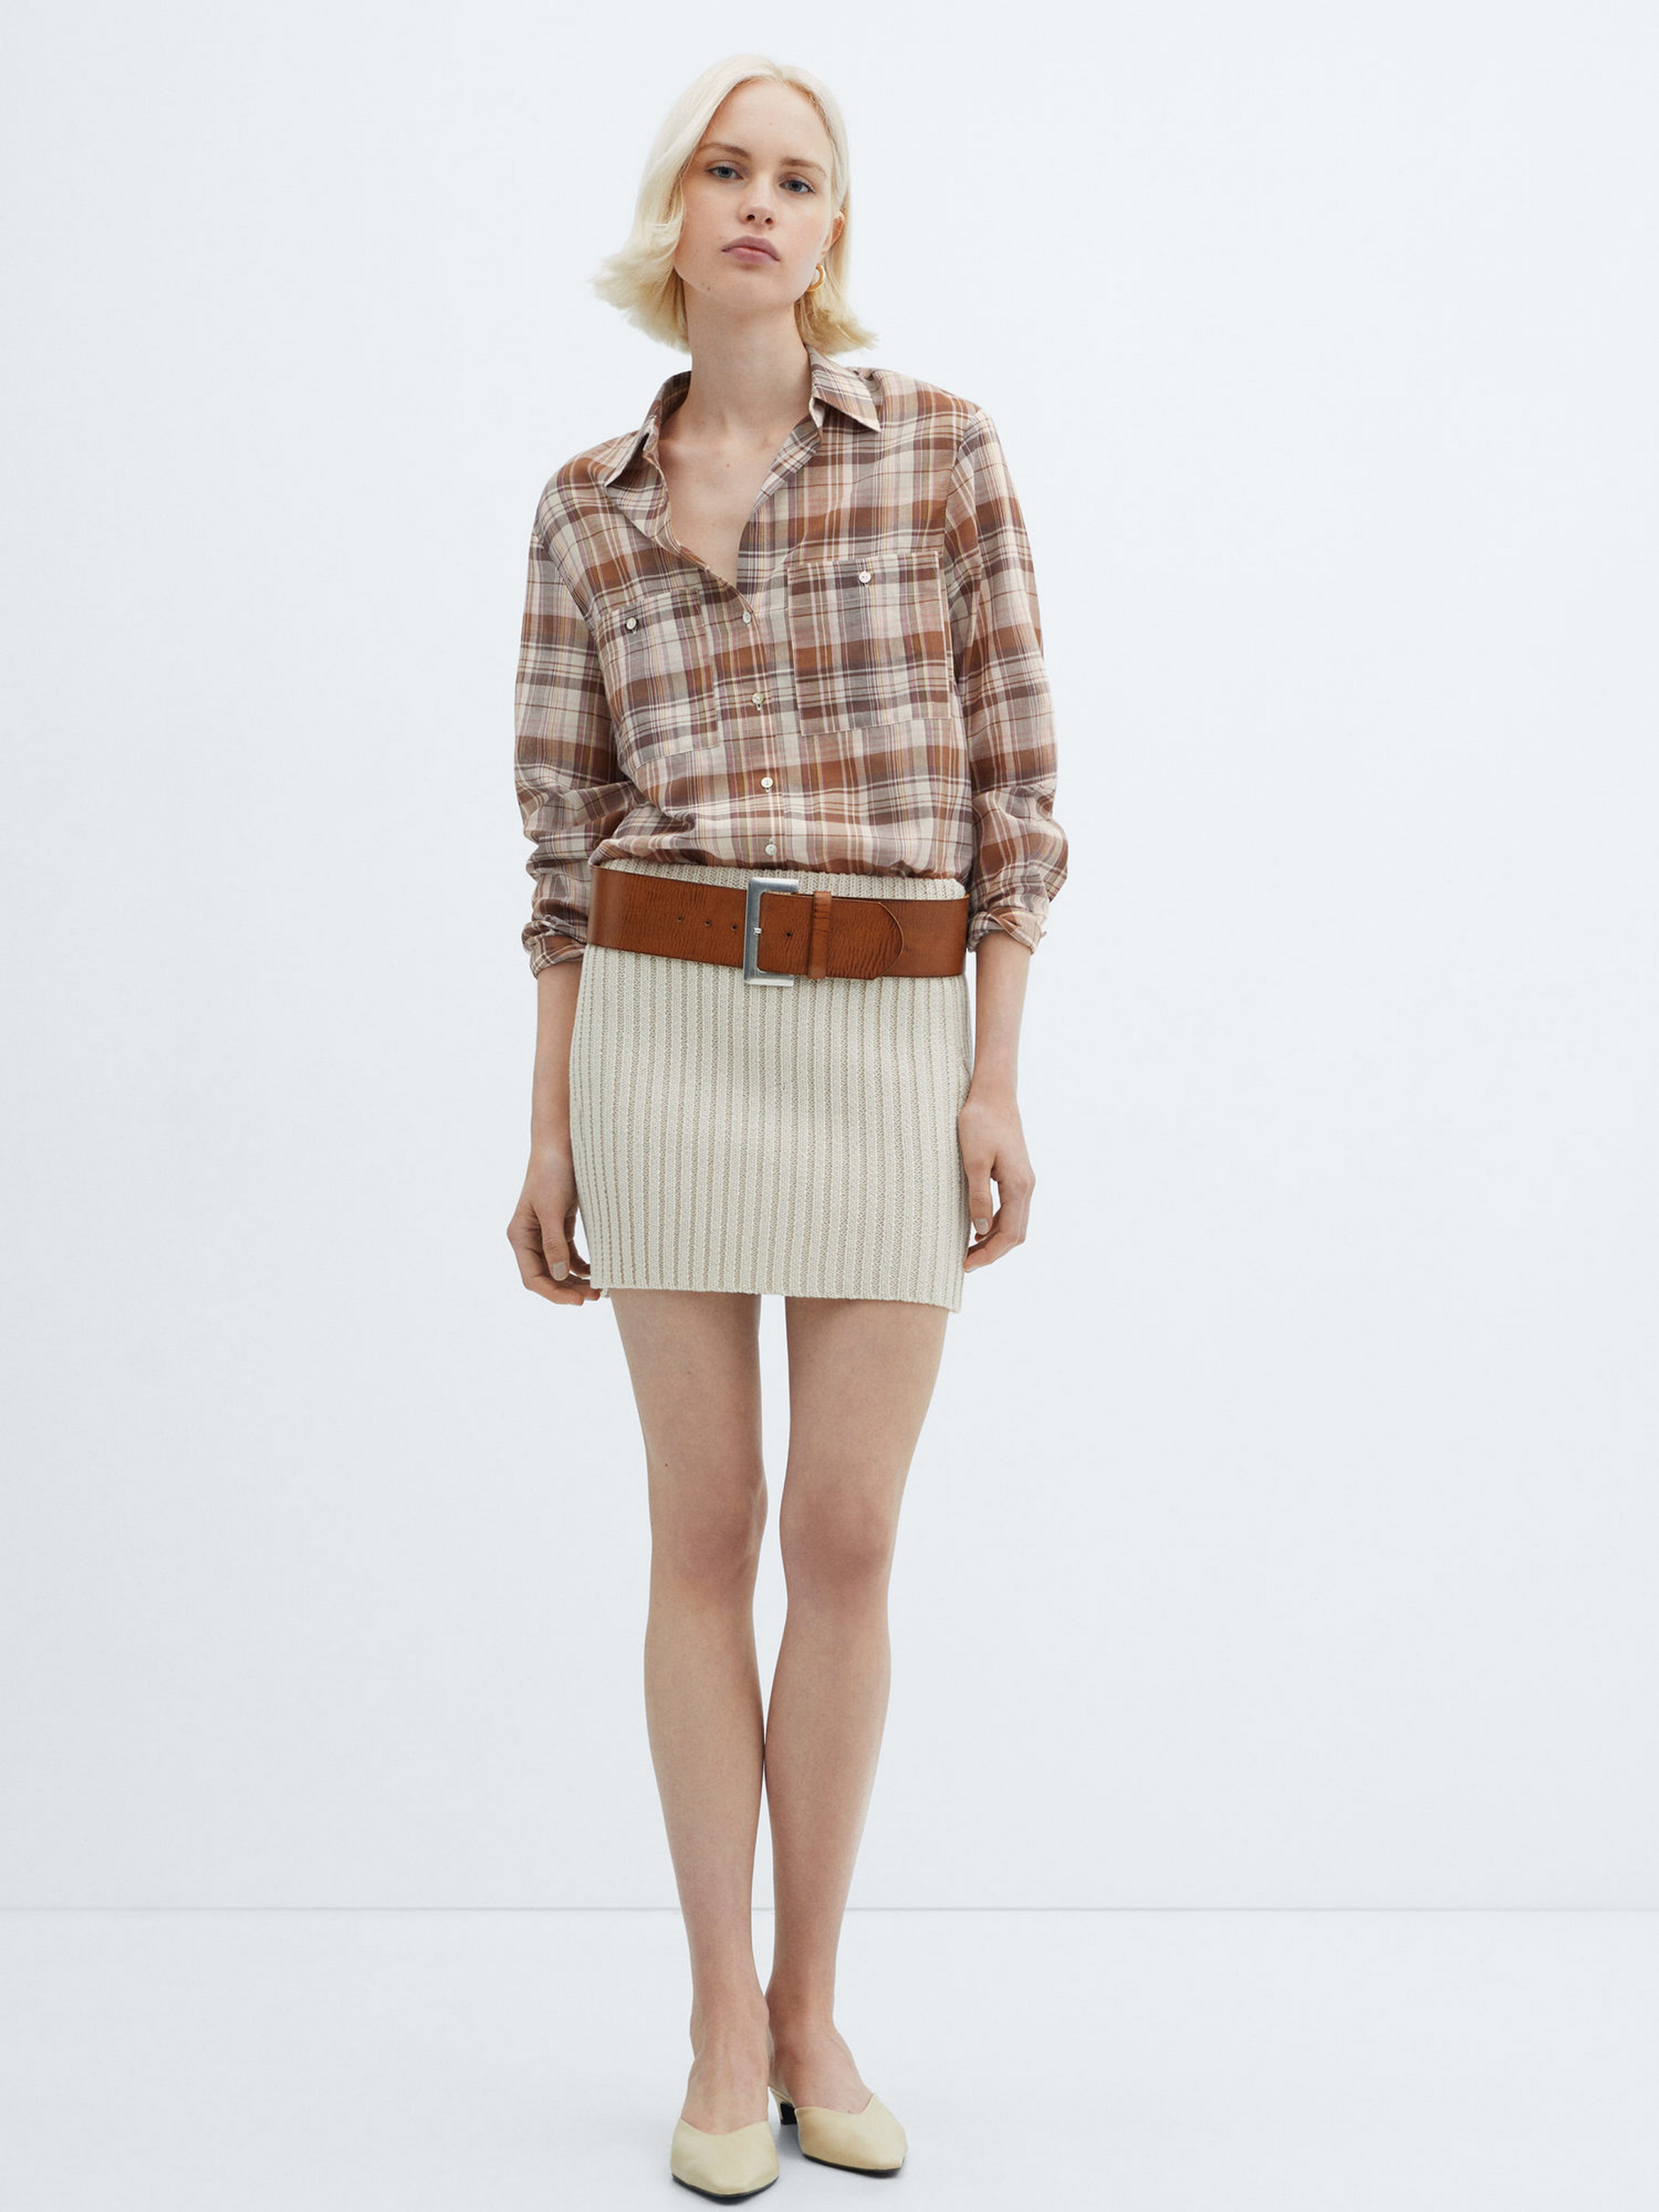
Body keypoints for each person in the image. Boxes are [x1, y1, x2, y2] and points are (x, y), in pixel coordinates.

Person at [505, 52, 1067, 2200]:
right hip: (658, 1024)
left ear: (836, 230)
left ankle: (814, 2004)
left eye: (800, 178)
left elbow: (1016, 786)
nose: (760, 202)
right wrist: (549, 1126)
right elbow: (560, 840)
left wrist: (993, 1069)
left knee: (843, 1539)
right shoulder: (584, 506)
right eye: (725, 169)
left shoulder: (941, 452)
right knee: (701, 1531)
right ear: (674, 213)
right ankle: (718, 2024)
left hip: (886, 1031)